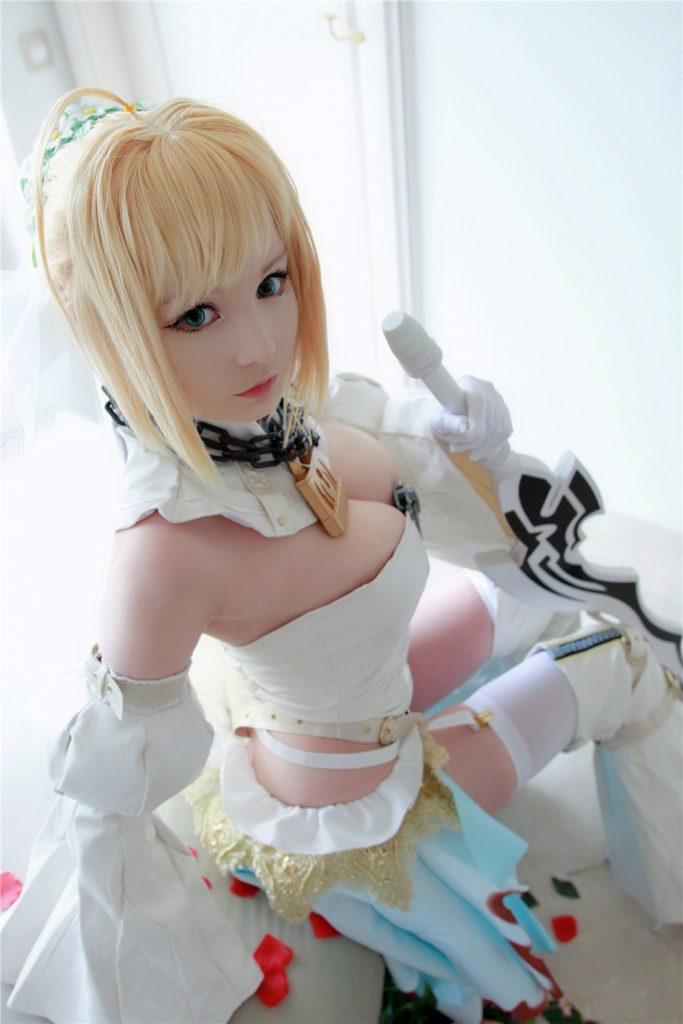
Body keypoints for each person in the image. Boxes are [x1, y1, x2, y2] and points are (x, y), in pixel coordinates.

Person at [1, 87, 680, 1024]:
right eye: (194, 314)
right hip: (355, 800)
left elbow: (419, 470)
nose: (258, 344)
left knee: (543, 594)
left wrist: (463, 443)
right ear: (110, 333)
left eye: (270, 282)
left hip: (361, 685)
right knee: (626, 660)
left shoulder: (276, 414)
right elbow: (110, 806)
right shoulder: (164, 553)